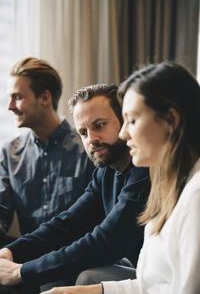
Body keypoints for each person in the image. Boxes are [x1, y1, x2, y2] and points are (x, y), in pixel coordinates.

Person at [41, 62, 200, 294]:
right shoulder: (169, 187)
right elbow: (153, 285)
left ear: (171, 121)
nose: (124, 134)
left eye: (132, 120)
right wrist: (94, 290)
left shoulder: (196, 196)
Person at [0, 83, 150, 293]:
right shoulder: (105, 171)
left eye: (99, 125)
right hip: (132, 267)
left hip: (153, 277)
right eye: (83, 132)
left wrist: (21, 272)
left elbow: (107, 241)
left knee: (86, 276)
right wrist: (10, 252)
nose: (91, 140)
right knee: (51, 273)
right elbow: (66, 224)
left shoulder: (145, 169)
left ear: (125, 121)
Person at [0, 57, 95, 246]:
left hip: (77, 261)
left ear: (44, 98)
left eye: (18, 97)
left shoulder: (88, 149)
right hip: (27, 259)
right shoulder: (9, 154)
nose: (10, 106)